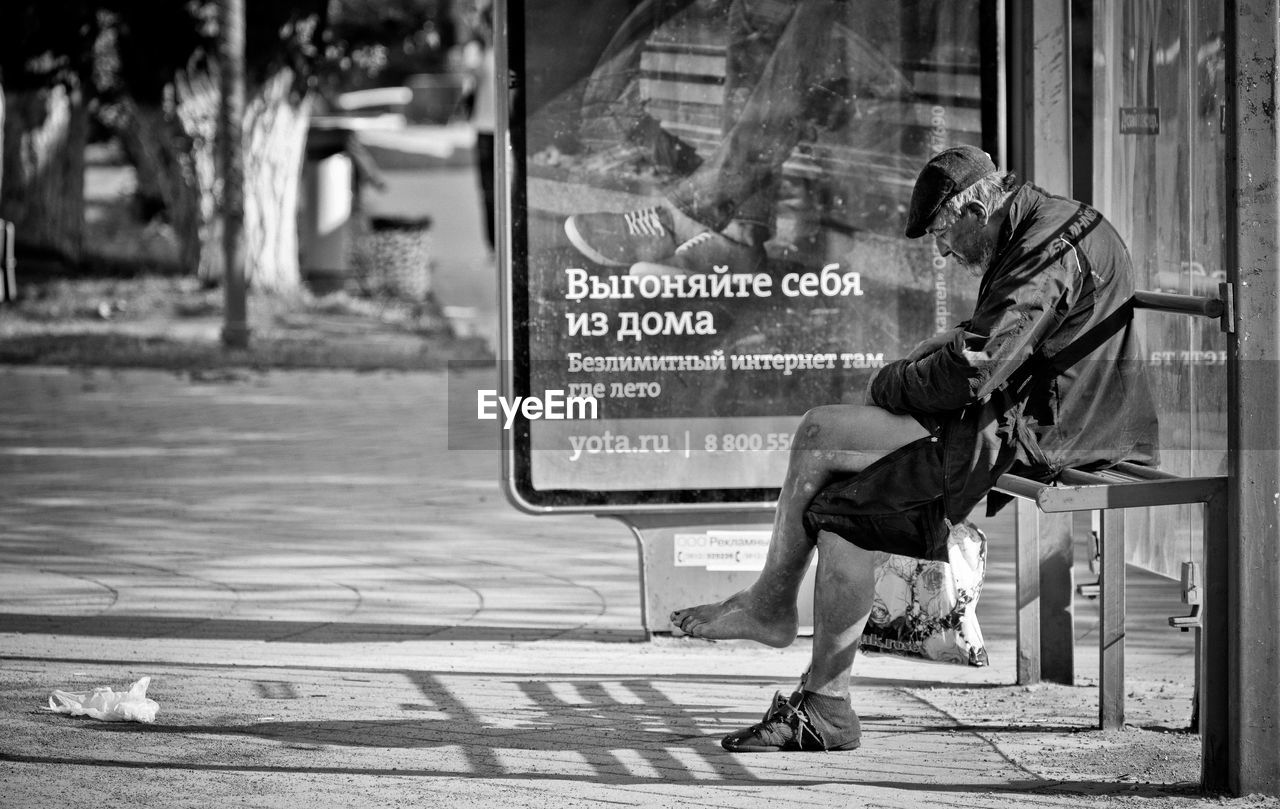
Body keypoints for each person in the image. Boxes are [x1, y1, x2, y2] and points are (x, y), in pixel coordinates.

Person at [669, 144, 1160, 752]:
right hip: (1021, 416)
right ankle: (810, 677)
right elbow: (997, 341)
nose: (943, 252)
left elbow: (975, 374)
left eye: (942, 233)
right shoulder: (1041, 225)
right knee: (835, 484)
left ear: (975, 207)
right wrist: (950, 341)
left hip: (1040, 433)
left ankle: (786, 633)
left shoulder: (1043, 250)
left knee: (826, 450)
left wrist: (893, 379)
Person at [564, 0, 910, 275]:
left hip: (877, 71)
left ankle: (693, 214)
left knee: (801, 12)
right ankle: (739, 229)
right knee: (761, 10)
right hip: (830, 55)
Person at [462, 1, 498, 252]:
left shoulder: (514, 46)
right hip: (485, 127)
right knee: (488, 190)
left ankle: (509, 239)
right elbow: (469, 84)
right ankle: (493, 243)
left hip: (509, 130)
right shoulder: (478, 49)